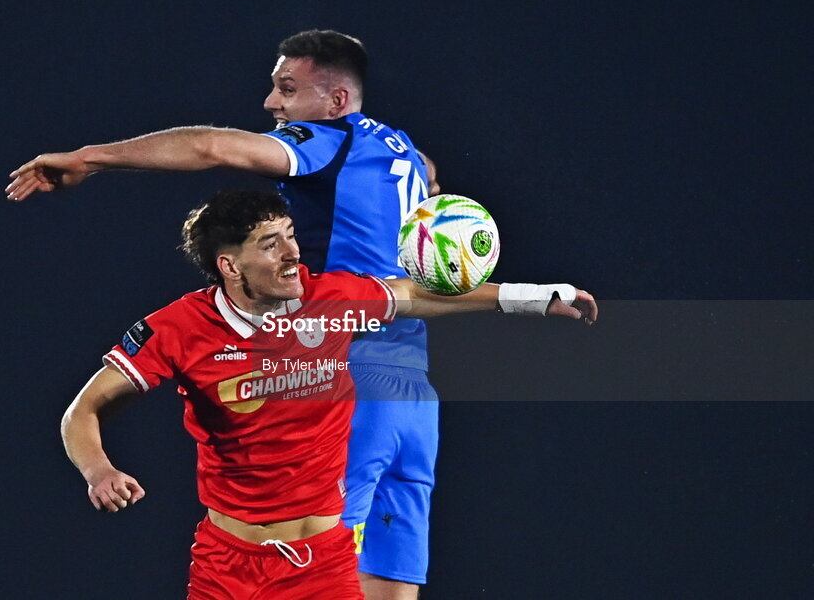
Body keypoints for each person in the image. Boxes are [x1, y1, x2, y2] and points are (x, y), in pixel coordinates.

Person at [9, 30, 597, 598]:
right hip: (413, 387)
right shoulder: (402, 150)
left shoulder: (326, 143)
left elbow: (212, 146)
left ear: (336, 101)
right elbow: (421, 239)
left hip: (345, 370)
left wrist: (91, 159)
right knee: (389, 581)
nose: (272, 103)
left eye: (287, 89)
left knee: (323, 552)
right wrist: (531, 293)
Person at [60, 189, 597, 599]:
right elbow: (82, 411)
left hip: (323, 564)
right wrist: (99, 471)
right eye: (271, 244)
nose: (293, 253)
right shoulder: (178, 329)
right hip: (228, 566)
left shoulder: (331, 301)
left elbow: (413, 295)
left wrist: (532, 297)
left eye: (291, 235)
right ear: (229, 266)